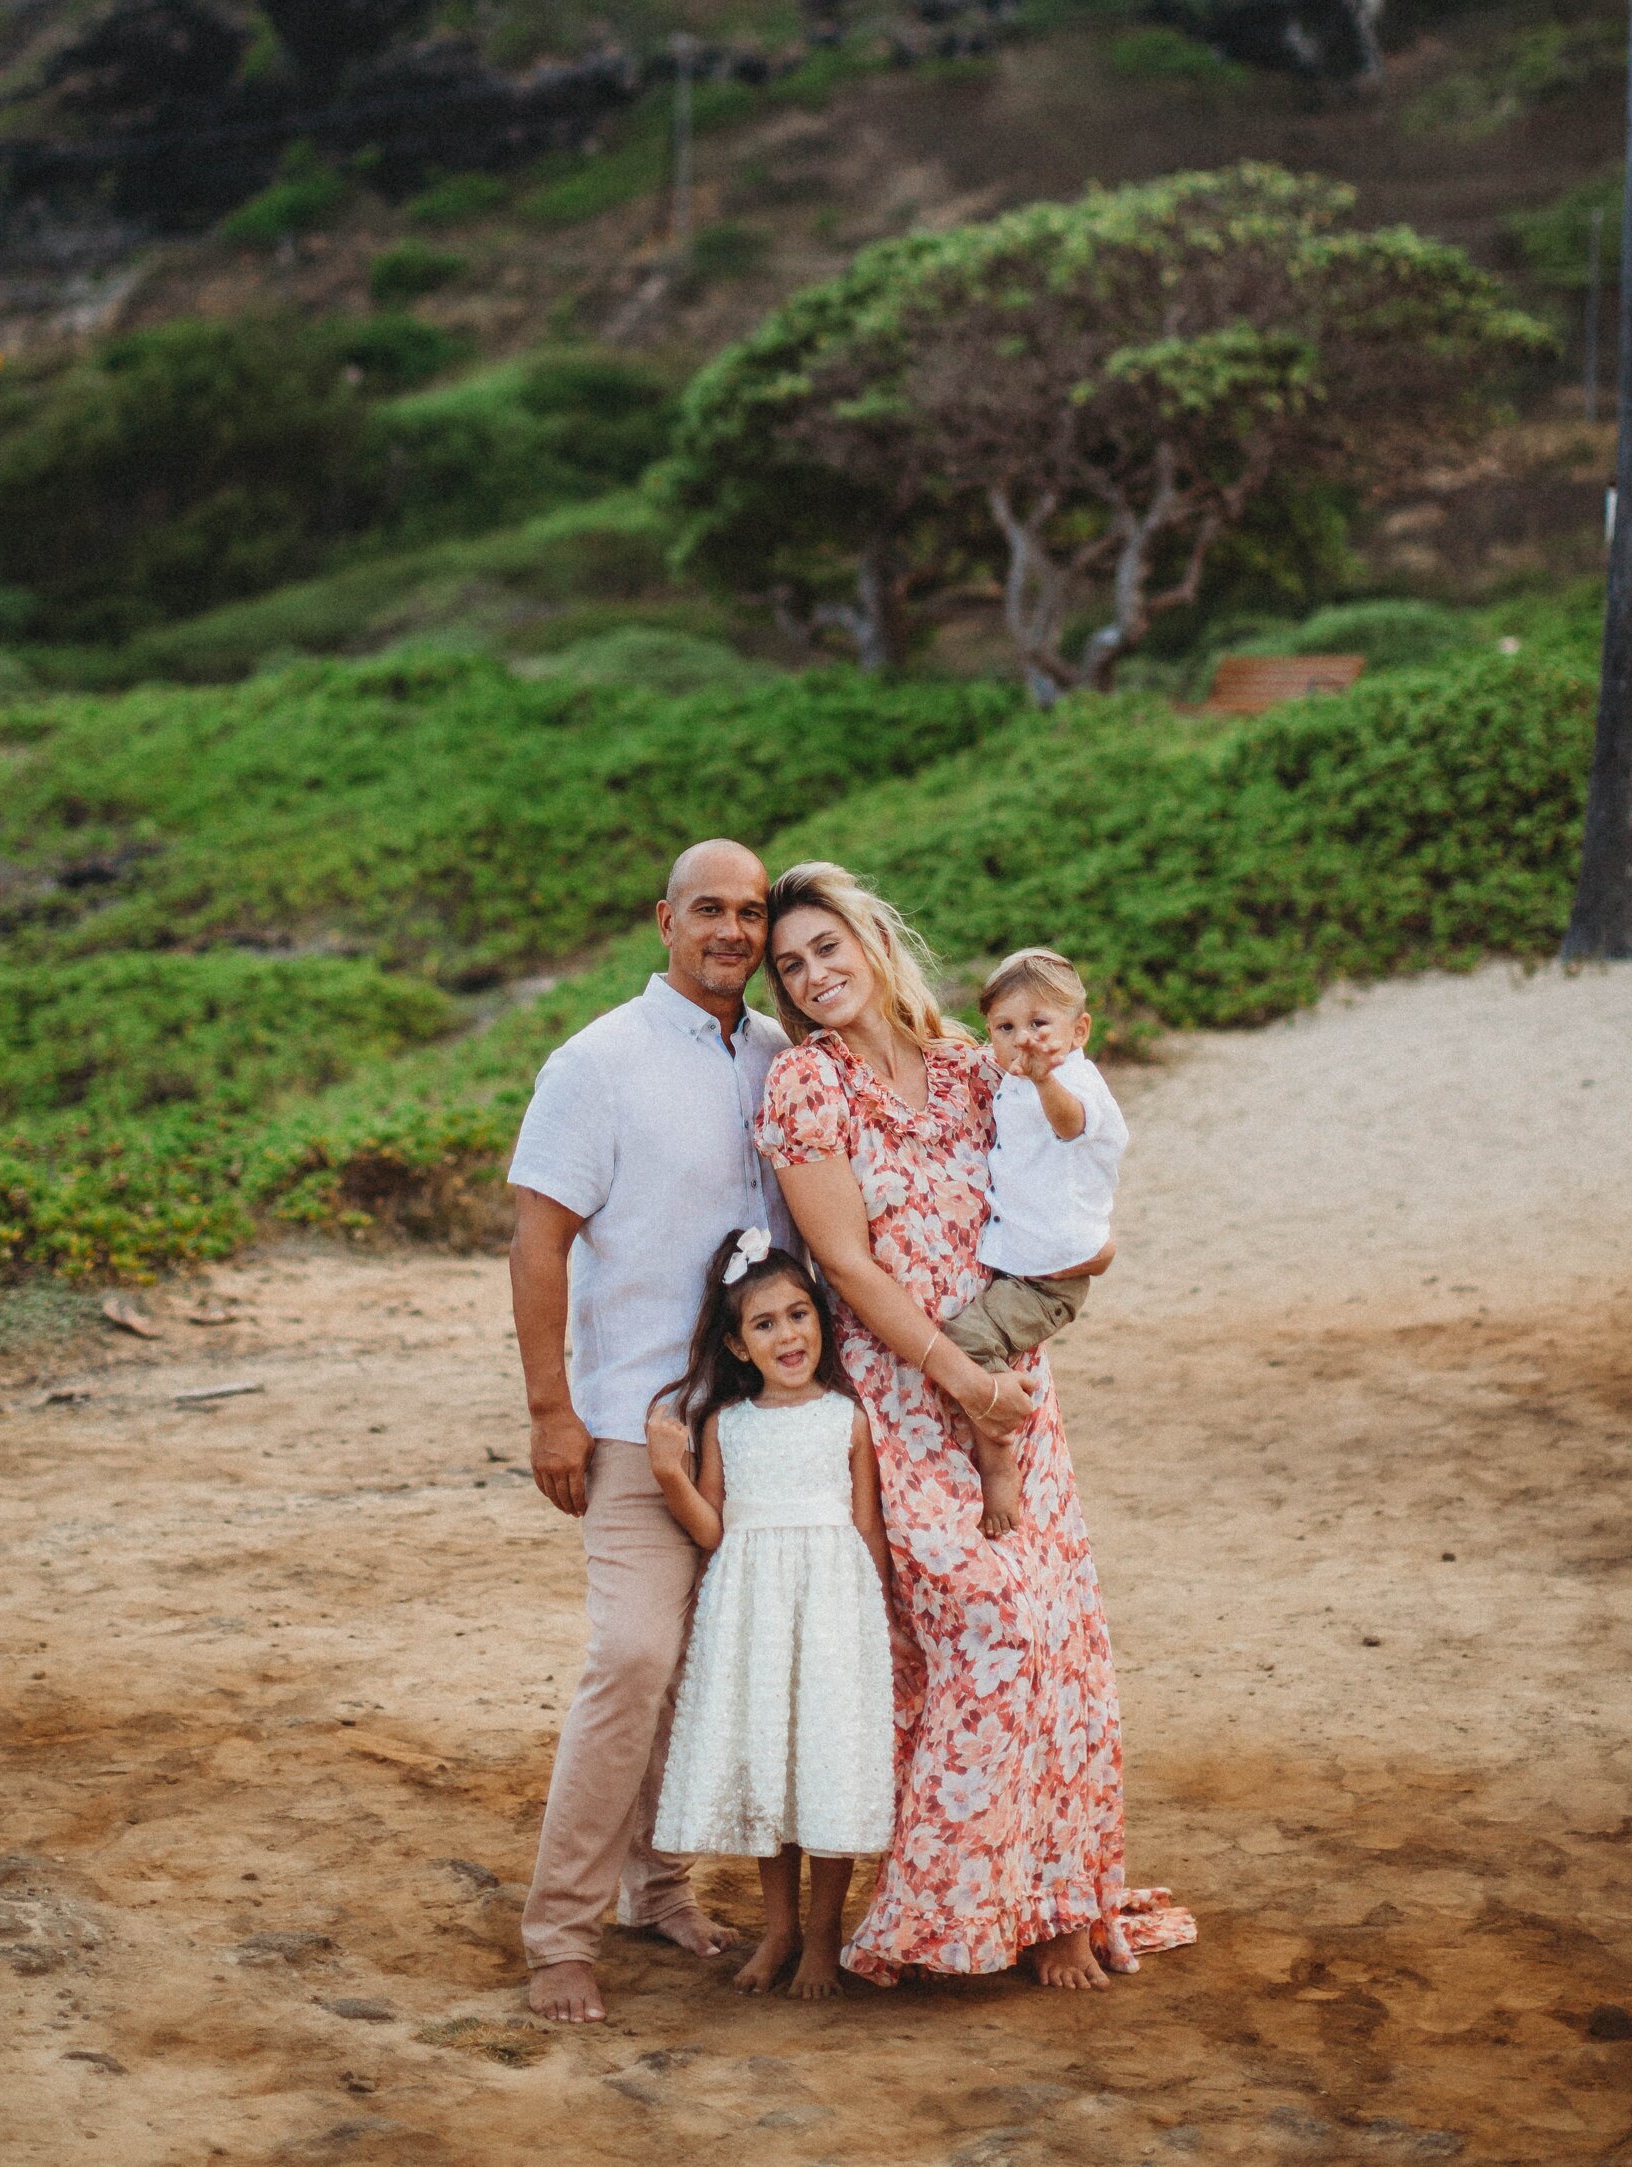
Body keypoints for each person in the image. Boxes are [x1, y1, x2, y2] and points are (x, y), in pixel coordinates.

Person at [758, 859, 1194, 1992]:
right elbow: (845, 1264)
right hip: (910, 1399)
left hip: (1014, 1383)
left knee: (1060, 1639)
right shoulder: (806, 1087)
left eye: (825, 948)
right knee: (985, 1631)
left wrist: (1088, 1252)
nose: (810, 976)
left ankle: (1056, 1907)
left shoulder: (969, 1064)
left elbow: (1064, 1171)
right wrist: (954, 1373)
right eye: (789, 963)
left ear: (870, 940)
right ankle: (939, 1910)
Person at [507, 837, 794, 2027]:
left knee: (691, 1670)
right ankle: (557, 1932)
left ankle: (654, 1885)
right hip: (634, 1419)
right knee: (631, 1657)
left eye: (751, 911)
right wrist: (548, 1414)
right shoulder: (595, 1063)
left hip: (756, 1427)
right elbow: (538, 1242)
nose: (733, 929)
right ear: (662, 920)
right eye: (709, 909)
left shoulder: (779, 1053)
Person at [646, 1228, 896, 2002]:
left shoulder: (846, 1419)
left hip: (830, 1612)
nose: (788, 1333)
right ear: (738, 1343)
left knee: (824, 1768)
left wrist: (872, 1628)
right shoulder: (728, 1423)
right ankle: (778, 1927)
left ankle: (822, 1937)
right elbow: (714, 1530)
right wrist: (668, 1472)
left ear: (821, 1320)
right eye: (765, 1323)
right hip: (753, 1614)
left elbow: (868, 1529)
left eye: (798, 1314)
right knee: (774, 1768)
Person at [944, 946, 1126, 1538]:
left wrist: (1047, 1078)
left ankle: (1000, 1458)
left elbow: (1070, 1126)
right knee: (980, 1334)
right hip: (1028, 1263)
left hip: (1051, 1276)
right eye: (1006, 1027)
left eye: (1039, 1025)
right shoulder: (1013, 1078)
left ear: (1080, 1031)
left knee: (967, 1340)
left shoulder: (1071, 1080)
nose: (1024, 1040)